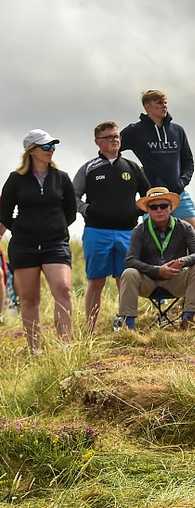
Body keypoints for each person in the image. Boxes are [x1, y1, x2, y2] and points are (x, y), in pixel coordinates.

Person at [0, 129, 76, 354]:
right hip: (24, 247)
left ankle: (65, 347)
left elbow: (70, 212)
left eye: (53, 146)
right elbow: (4, 214)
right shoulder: (16, 179)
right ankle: (35, 351)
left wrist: (55, 228)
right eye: (46, 146)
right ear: (31, 150)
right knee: (30, 298)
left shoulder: (62, 178)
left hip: (56, 245)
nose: (51, 150)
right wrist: (22, 229)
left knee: (63, 289)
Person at [74, 121, 151, 332]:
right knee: (96, 282)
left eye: (116, 136)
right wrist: (88, 210)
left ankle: (126, 327)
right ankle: (90, 330)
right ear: (97, 142)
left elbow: (149, 196)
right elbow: (73, 196)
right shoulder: (88, 168)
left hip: (128, 233)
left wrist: (138, 211)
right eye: (108, 137)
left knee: (125, 281)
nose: (114, 140)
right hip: (96, 232)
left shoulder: (133, 167)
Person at [117, 187, 195, 329]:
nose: (159, 210)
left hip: (176, 280)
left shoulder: (185, 227)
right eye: (154, 207)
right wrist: (157, 271)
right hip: (149, 282)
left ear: (171, 208)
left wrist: (181, 262)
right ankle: (128, 326)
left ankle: (188, 320)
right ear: (148, 210)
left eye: (163, 206)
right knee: (129, 273)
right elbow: (130, 260)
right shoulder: (139, 230)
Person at [120, 90, 195, 241]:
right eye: (159, 103)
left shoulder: (177, 130)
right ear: (147, 107)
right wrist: (133, 172)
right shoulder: (134, 131)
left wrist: (183, 181)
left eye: (165, 102)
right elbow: (113, 149)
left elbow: (188, 160)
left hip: (178, 193)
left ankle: (187, 258)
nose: (164, 106)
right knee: (153, 239)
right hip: (152, 195)